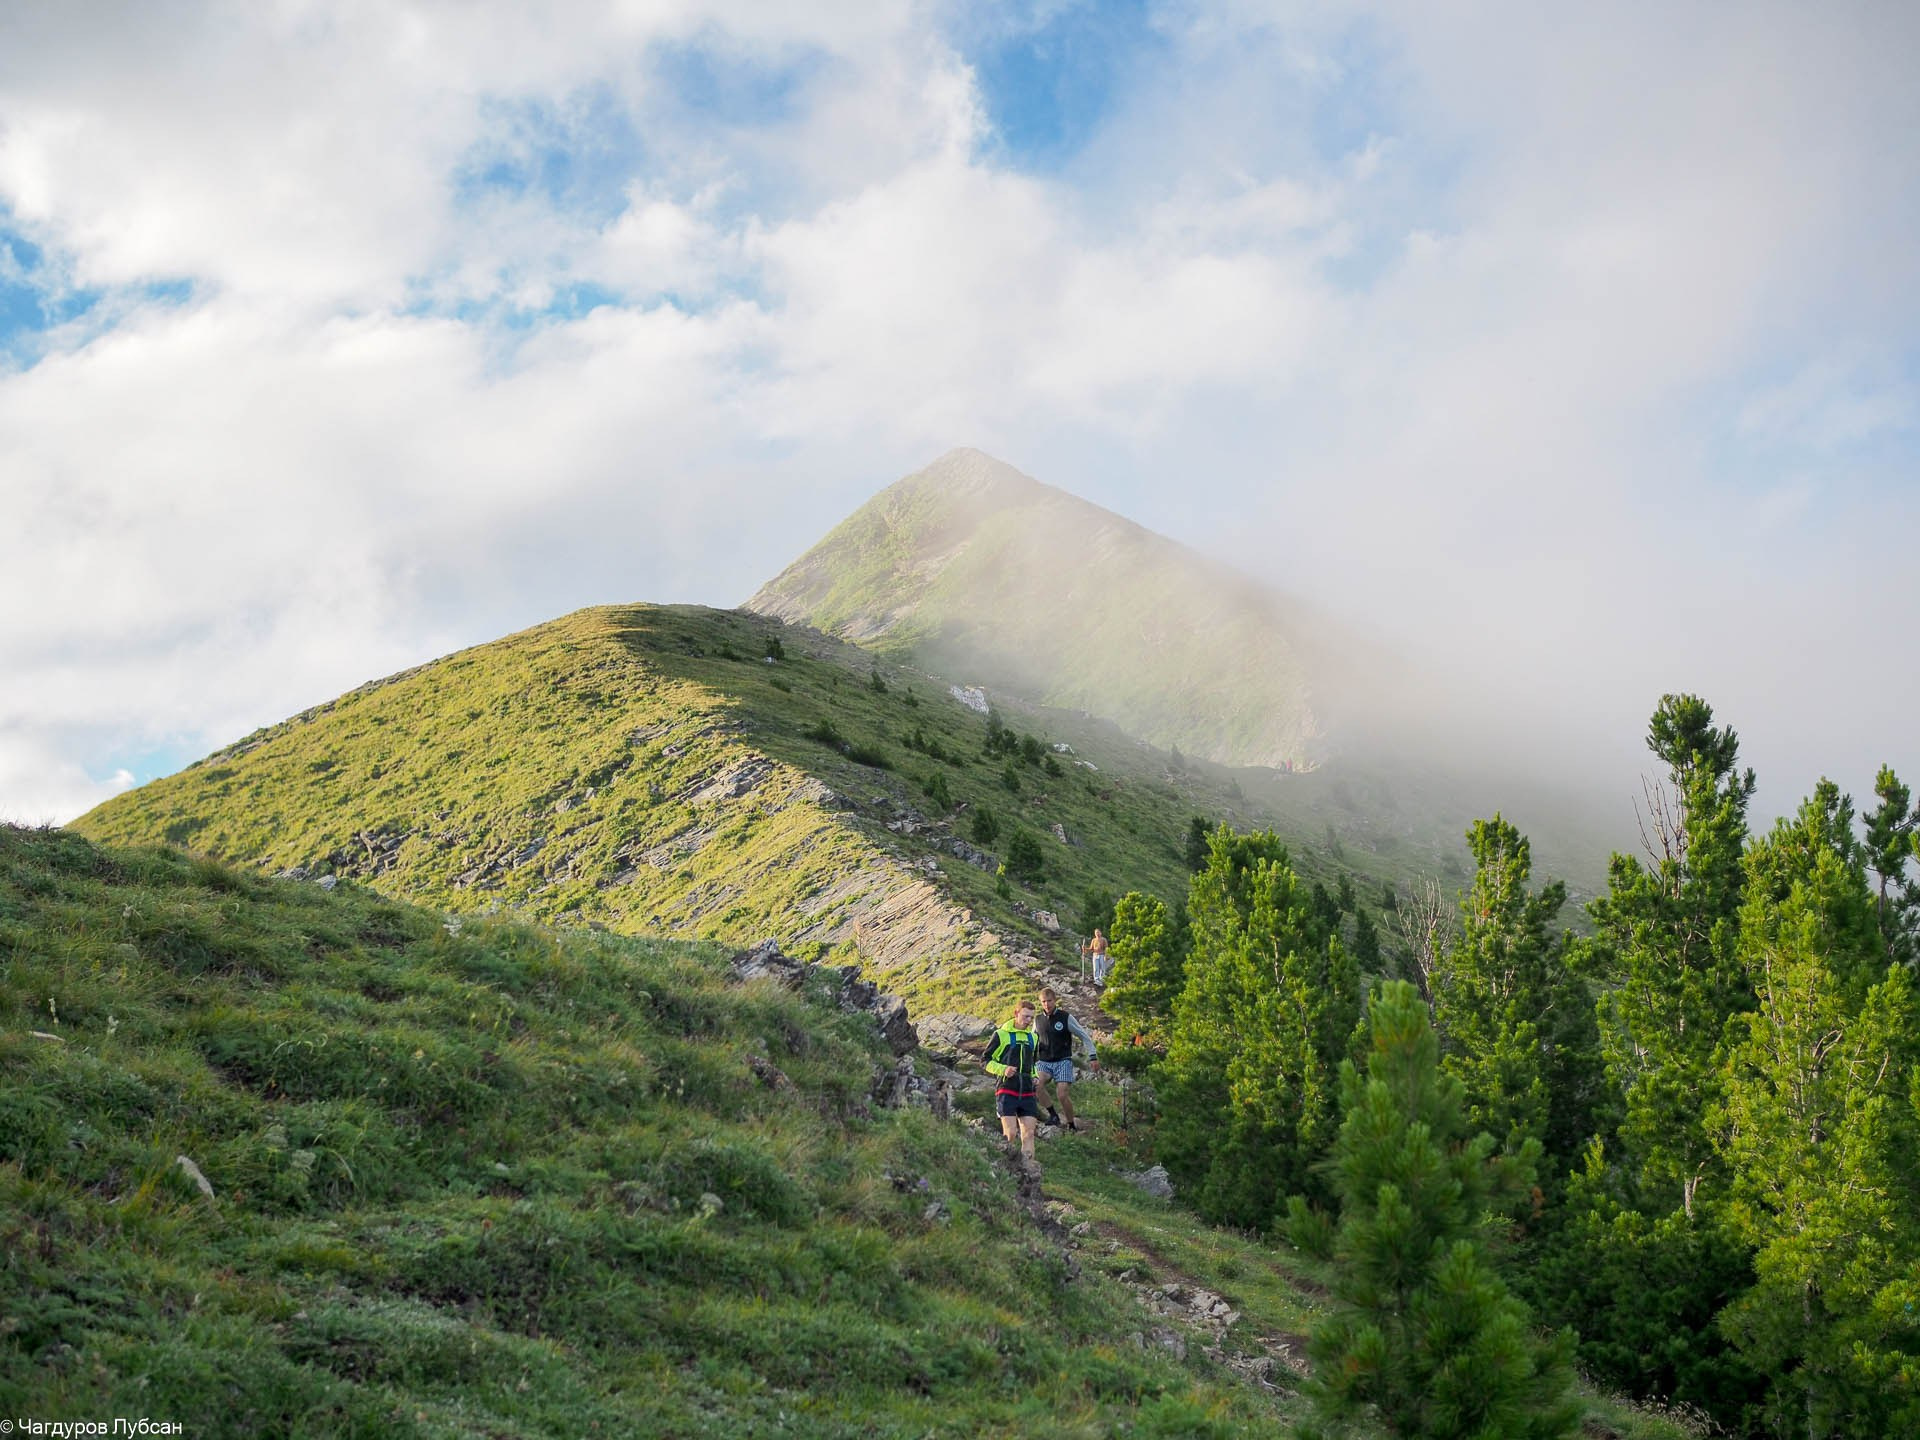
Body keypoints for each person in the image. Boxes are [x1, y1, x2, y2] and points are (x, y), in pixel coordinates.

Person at [984, 998, 1043, 1171]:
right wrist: (1003, 1070)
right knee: (1010, 1134)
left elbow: (1033, 1063)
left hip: (1027, 1091)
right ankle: (1004, 1169)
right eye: (1025, 1016)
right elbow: (985, 1060)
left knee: (1029, 1133)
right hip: (1006, 1089)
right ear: (1016, 1014)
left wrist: (1034, 1076)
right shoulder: (1001, 1034)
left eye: (1031, 1018)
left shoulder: (1033, 1038)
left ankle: (1028, 1172)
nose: (1028, 1021)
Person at [1034, 986, 1098, 1130]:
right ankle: (1053, 1115)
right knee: (1037, 1085)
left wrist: (1092, 1056)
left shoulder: (1065, 1017)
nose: (1046, 1004)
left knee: (1062, 1094)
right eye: (1043, 1002)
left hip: (1063, 1060)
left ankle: (1070, 1124)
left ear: (1055, 1000)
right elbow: (1032, 1041)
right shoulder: (1037, 1020)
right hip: (1044, 1061)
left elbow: (1084, 1036)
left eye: (1049, 1001)